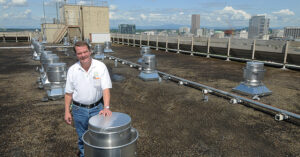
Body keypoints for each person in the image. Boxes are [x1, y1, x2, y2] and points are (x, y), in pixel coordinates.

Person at [64, 41, 112, 157]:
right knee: (82, 137)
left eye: (85, 52)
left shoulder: (100, 67)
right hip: (79, 110)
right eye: (79, 53)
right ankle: (84, 154)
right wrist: (66, 111)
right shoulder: (72, 70)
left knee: (99, 136)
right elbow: (68, 93)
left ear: (90, 51)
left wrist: (106, 107)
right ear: (76, 55)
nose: (83, 55)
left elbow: (105, 89)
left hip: (97, 108)